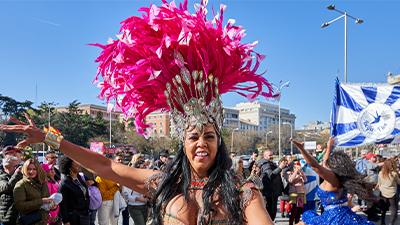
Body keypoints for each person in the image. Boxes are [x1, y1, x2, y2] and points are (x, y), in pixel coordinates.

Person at [0, 0, 276, 224]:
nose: (201, 143)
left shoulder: (242, 192)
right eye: (193, 137)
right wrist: (50, 139)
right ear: (183, 142)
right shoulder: (163, 183)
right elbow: (105, 165)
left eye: (209, 137)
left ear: (220, 142)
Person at [292, 137, 376, 225]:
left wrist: (301, 149)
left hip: (336, 218)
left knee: (305, 220)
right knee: (305, 220)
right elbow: (324, 162)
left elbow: (315, 166)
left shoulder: (333, 178)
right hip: (335, 214)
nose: (325, 164)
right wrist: (329, 147)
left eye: (329, 163)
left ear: (334, 166)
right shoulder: (339, 176)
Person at [13, 158, 51, 225]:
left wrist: (53, 205)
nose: (31, 171)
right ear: (24, 169)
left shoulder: (43, 183)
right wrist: (41, 201)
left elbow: (47, 200)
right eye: (29, 169)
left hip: (43, 221)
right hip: (28, 222)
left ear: (38, 170)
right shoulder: (21, 184)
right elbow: (19, 205)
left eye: (34, 169)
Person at [58, 156, 90, 225]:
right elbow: (63, 205)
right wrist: (66, 221)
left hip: (85, 215)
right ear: (69, 166)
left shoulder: (79, 178)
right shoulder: (64, 183)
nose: (79, 164)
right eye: (75, 162)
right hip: (74, 218)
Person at [258, 149, 287, 221]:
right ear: (265, 156)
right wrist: (280, 167)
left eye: (272, 155)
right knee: (271, 212)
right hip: (269, 193)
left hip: (273, 192)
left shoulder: (270, 163)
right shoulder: (266, 164)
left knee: (272, 213)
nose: (271, 156)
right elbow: (270, 175)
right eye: (269, 155)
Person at [122, 156, 148, 225]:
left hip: (145, 206)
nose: (145, 169)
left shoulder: (146, 178)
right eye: (143, 167)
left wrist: (147, 197)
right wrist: (138, 199)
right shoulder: (129, 179)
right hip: (134, 207)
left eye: (145, 167)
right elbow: (126, 195)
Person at [96, 155, 120, 225]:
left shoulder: (114, 176)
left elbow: (119, 189)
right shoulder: (100, 177)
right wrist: (115, 188)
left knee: (114, 223)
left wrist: (118, 187)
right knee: (104, 223)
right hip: (105, 203)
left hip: (114, 202)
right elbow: (103, 195)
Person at [0, 156, 23, 225]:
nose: (17, 168)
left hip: (18, 216)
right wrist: (17, 173)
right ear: (7, 167)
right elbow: (7, 187)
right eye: (16, 166)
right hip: (7, 216)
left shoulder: (17, 176)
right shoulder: (1, 177)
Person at [377, 159, 399, 225]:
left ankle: (382, 222)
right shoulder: (394, 174)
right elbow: (398, 182)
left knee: (383, 209)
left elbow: (379, 183)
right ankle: (391, 223)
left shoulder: (380, 173)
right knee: (393, 209)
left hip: (383, 192)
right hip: (392, 193)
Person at [287, 161, 307, 225]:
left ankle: (297, 223)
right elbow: (290, 180)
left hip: (301, 193)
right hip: (293, 193)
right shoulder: (290, 172)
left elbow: (305, 180)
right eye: (295, 164)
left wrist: (301, 173)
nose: (297, 166)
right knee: (293, 210)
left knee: (299, 211)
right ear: (293, 166)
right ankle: (290, 223)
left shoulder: (301, 172)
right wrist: (296, 172)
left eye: (298, 164)